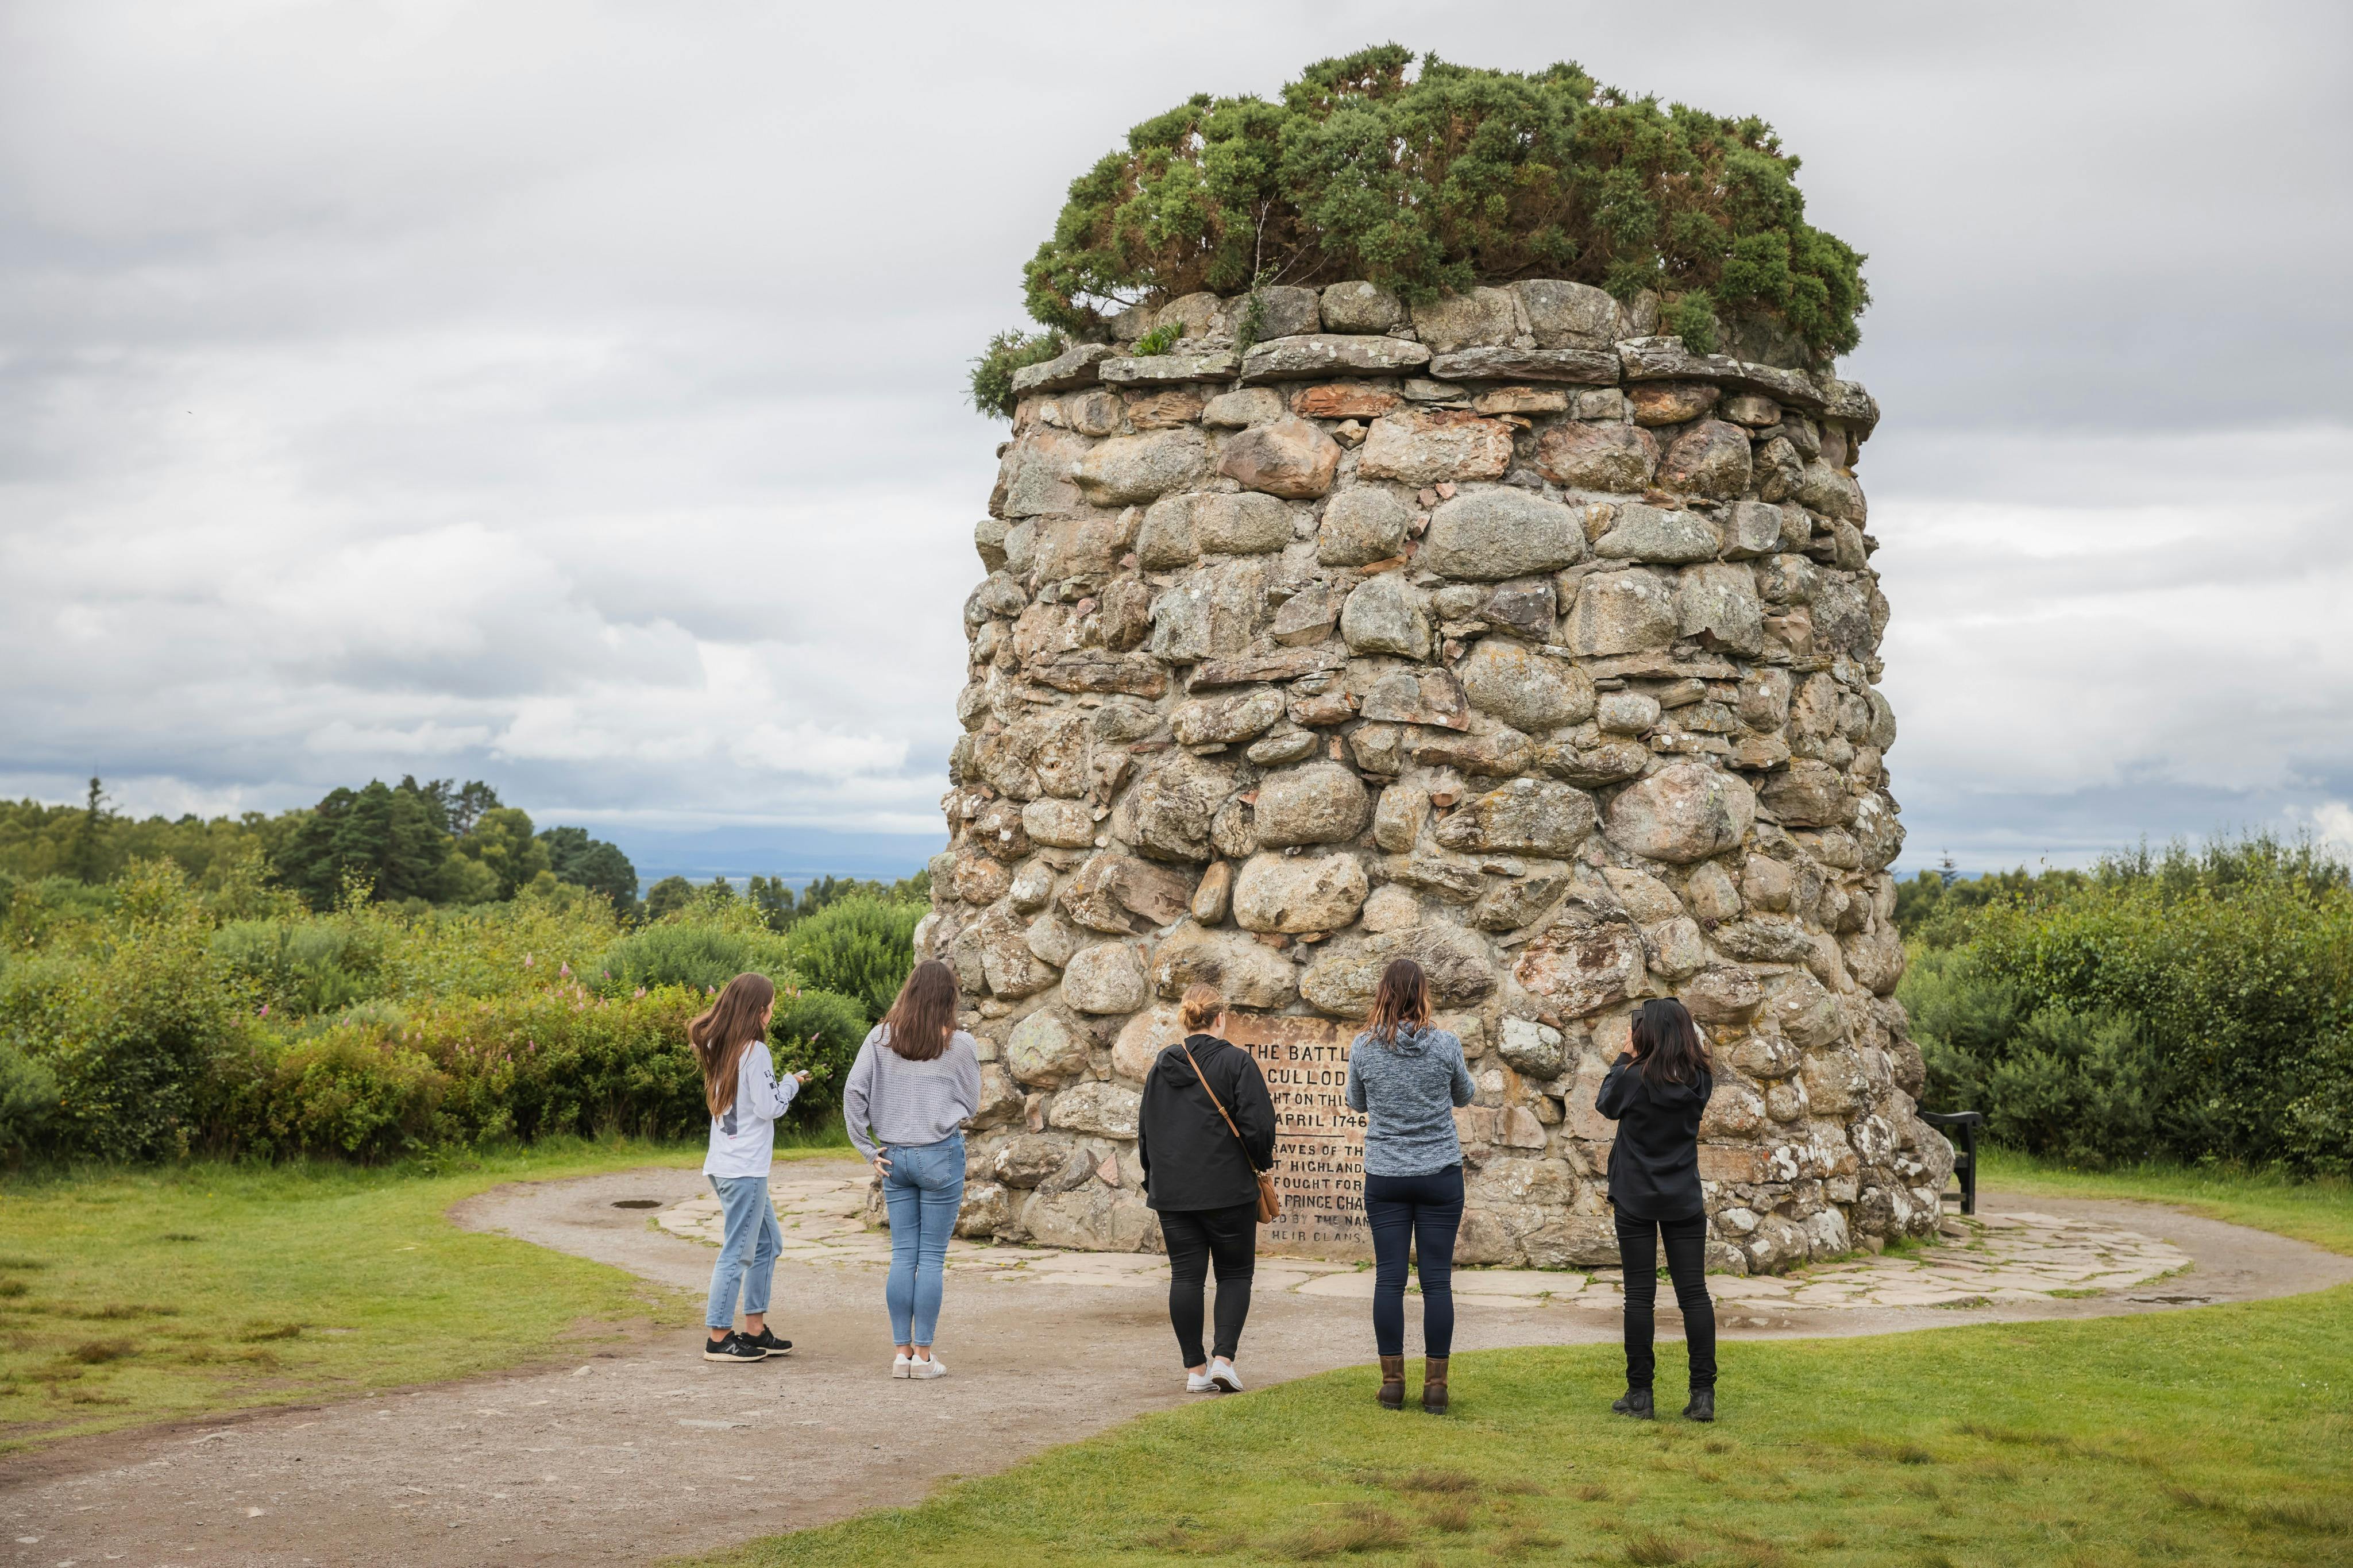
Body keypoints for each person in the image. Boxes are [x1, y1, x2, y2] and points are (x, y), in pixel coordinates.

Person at [1345, 958, 1475, 1413]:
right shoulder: (1445, 1044)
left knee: (1390, 1279)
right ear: (1422, 996)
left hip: (1386, 1176)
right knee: (1437, 1281)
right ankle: (1436, 1388)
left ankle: (1392, 1384)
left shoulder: (1363, 1047)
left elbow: (1355, 1102)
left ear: (1383, 994)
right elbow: (1465, 1095)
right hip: (1440, 1172)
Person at [842, 958, 981, 1379]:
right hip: (940, 1154)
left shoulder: (880, 1037)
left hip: (895, 1158)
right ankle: (924, 1357)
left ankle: (901, 1354)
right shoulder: (960, 1043)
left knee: (903, 1255)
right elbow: (972, 1104)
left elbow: (853, 1092)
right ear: (949, 997)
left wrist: (867, 1149)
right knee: (932, 1258)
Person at [1136, 982, 1275, 1395]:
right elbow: (1259, 1127)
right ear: (1221, 1018)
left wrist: (1155, 1177)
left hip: (1173, 1192)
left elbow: (1146, 1132)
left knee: (1185, 1277)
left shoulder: (1160, 1068)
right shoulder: (1236, 1063)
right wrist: (1260, 1163)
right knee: (1235, 1274)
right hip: (1228, 1189)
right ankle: (1223, 1361)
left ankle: (1196, 1371)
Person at [1596, 996, 1718, 1422]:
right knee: (1694, 1295)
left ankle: (1640, 1394)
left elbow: (1606, 1104)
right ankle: (1703, 1395)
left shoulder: (1632, 1077)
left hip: (1635, 1196)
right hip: (1683, 1195)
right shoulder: (1700, 1080)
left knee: (1639, 1297)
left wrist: (1623, 1054)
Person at [691, 971, 811, 1363]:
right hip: (744, 1170)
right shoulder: (755, 1052)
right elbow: (770, 1107)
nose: (773, 1012)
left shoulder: (718, 1044)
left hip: (727, 1165)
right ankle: (719, 1337)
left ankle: (755, 1331)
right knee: (738, 1252)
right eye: (772, 1006)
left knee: (767, 1244)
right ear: (759, 1010)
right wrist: (791, 1083)